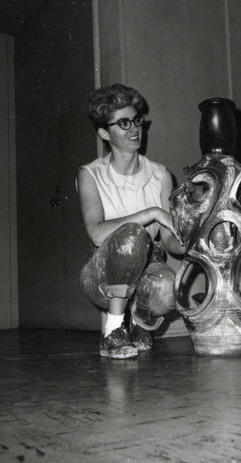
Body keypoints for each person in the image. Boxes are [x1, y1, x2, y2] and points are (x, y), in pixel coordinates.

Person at [77, 83, 185, 359]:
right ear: (104, 132)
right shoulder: (90, 174)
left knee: (169, 287)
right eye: (123, 123)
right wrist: (150, 212)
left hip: (147, 267)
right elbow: (97, 234)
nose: (134, 129)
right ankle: (112, 332)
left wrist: (191, 240)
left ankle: (138, 324)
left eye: (136, 120)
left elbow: (170, 240)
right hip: (102, 276)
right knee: (134, 234)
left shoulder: (161, 175)